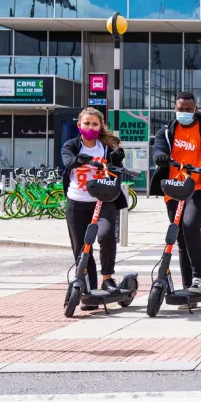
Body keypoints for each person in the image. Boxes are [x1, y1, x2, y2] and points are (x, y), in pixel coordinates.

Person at [150, 92, 201, 295]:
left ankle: (199, 278)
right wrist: (161, 157)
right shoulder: (167, 131)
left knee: (190, 226)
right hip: (174, 188)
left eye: (188, 110)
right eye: (180, 109)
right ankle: (187, 284)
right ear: (175, 109)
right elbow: (157, 148)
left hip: (198, 186)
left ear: (195, 110)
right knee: (181, 236)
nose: (184, 113)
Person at [62, 108, 127, 310]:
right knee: (82, 246)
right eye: (87, 124)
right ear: (79, 126)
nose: (90, 128)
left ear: (100, 127)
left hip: (103, 199)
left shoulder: (106, 147)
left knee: (106, 235)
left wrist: (117, 161)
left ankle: (108, 278)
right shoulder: (71, 145)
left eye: (95, 124)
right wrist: (79, 160)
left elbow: (117, 170)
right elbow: (67, 162)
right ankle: (87, 286)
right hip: (77, 201)